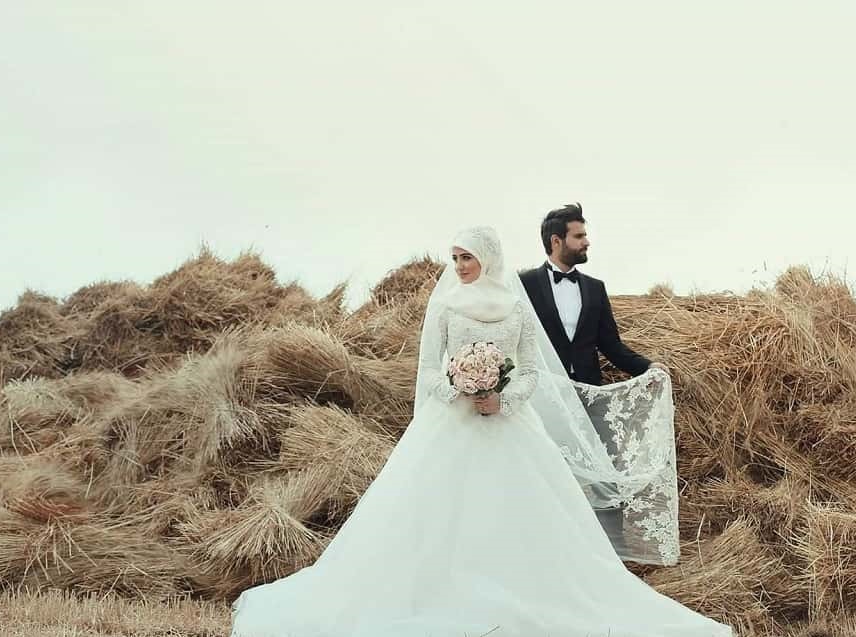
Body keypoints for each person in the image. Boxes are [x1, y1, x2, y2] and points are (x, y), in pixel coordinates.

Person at [230, 226, 731, 637]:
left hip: (510, 423)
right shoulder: (446, 307)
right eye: (454, 258)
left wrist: (501, 398)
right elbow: (428, 370)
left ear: (487, 258)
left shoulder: (516, 308)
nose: (459, 266)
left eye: (466, 257)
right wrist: (459, 389)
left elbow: (531, 372)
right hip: (452, 423)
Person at [520, 202, 667, 554]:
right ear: (557, 241)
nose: (587, 242)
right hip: (543, 399)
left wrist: (649, 368)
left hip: (591, 397)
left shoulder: (595, 288)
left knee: (605, 472)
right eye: (579, 236)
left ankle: (613, 552)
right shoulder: (524, 285)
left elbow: (611, 345)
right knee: (542, 472)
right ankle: (545, 548)